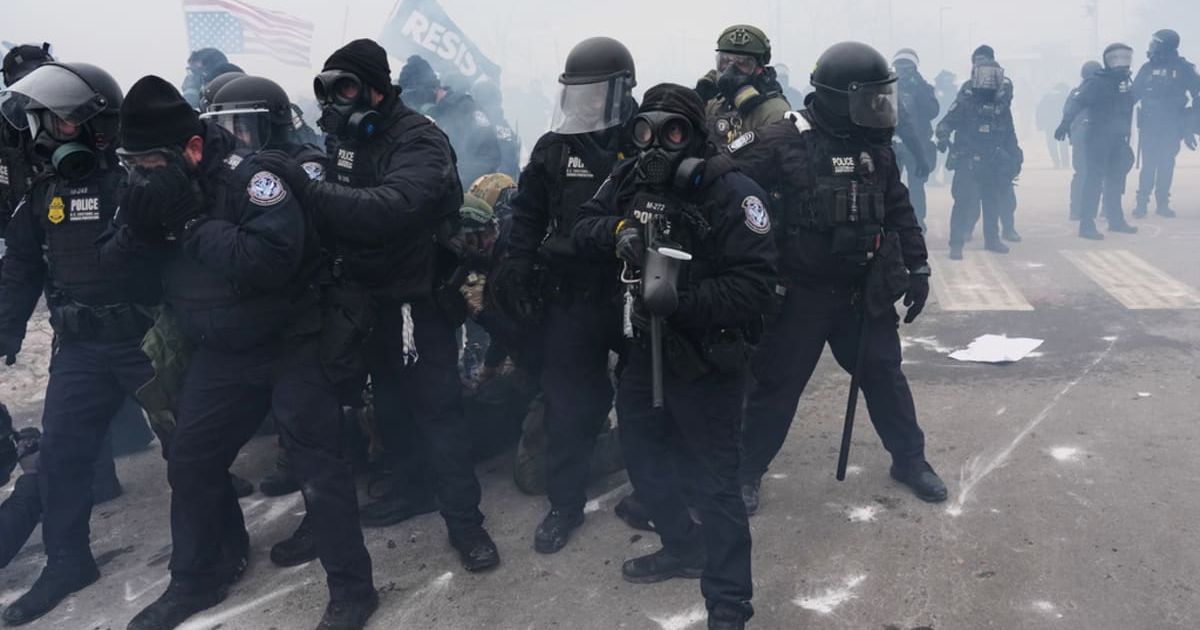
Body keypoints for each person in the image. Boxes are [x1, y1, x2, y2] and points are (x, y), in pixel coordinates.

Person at [98, 74, 376, 630]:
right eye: (133, 164)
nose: (141, 175)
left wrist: (190, 223)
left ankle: (352, 588)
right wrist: (135, 229)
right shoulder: (155, 193)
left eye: (149, 164)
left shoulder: (254, 179)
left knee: (318, 466)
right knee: (192, 461)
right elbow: (116, 277)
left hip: (290, 344)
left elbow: (267, 261)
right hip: (221, 354)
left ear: (192, 149)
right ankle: (199, 577)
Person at [260, 39, 500, 573]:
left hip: (419, 301)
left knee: (438, 411)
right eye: (329, 90)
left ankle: (466, 524)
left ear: (376, 87)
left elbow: (392, 208)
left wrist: (304, 186)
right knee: (378, 408)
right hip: (361, 298)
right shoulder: (341, 138)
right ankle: (406, 490)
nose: (338, 102)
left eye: (347, 87)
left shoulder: (420, 140)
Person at [573, 82, 776, 630]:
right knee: (641, 456)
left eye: (674, 132)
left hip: (707, 357)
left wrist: (683, 302)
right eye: (647, 131)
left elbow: (757, 285)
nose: (657, 145)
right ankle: (683, 548)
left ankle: (729, 603)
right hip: (645, 351)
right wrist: (618, 230)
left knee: (715, 484)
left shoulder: (733, 192)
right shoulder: (629, 177)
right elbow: (582, 223)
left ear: (697, 137)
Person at [731, 41, 947, 513]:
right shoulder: (780, 139)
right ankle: (746, 472)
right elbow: (725, 186)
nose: (878, 107)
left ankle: (910, 460)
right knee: (775, 389)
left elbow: (897, 207)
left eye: (880, 97)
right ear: (836, 96)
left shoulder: (875, 146)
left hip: (860, 292)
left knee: (885, 377)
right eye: (867, 98)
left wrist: (918, 264)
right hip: (799, 295)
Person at [0, 62, 160, 625]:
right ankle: (68, 561)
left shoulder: (137, 181)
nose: (45, 134)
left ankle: (212, 548)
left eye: (59, 123)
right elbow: (20, 266)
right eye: (41, 122)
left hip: (146, 341)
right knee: (62, 459)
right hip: (80, 349)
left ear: (98, 125)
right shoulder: (43, 193)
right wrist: (6, 330)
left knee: (194, 449)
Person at [492, 36, 637, 554]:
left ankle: (654, 489)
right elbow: (528, 213)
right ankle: (565, 504)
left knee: (646, 394)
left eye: (595, 91)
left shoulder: (644, 140)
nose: (586, 100)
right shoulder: (555, 147)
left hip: (629, 291)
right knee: (568, 404)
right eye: (578, 91)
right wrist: (518, 262)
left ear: (619, 92)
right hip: (572, 293)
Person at [936, 59, 1023, 259]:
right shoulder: (965, 102)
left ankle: (992, 240)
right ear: (975, 76)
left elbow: (1010, 135)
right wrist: (942, 137)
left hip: (993, 161)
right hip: (968, 160)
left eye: (993, 76)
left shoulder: (1002, 107)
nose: (988, 81)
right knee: (962, 203)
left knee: (991, 202)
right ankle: (956, 245)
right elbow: (946, 123)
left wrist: (1015, 157)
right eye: (984, 75)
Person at [1055, 44, 1139, 240]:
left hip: (1117, 137)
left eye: (1126, 58)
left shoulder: (1125, 82)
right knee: (1094, 179)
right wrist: (1066, 122)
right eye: (1117, 58)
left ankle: (1115, 220)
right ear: (1108, 60)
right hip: (1098, 137)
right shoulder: (1097, 82)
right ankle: (1086, 224)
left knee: (1116, 179)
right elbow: (1078, 101)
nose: (1122, 62)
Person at [397, 55, 501, 188]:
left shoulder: (465, 108)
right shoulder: (426, 115)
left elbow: (489, 155)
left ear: (432, 89)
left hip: (469, 192)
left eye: (416, 96)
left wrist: (455, 179)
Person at [1132, 29, 1200, 218]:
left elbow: (1198, 95)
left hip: (1172, 124)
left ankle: (1162, 203)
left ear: (1163, 45)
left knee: (1166, 164)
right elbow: (1132, 95)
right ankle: (1141, 203)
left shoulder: (1184, 68)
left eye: (1154, 42)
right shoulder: (1146, 68)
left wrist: (1189, 126)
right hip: (1149, 124)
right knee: (1148, 164)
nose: (1151, 46)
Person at [697, 25, 792, 148]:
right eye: (724, 61)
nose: (729, 70)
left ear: (759, 68)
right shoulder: (716, 103)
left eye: (742, 63)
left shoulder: (774, 111)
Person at [892, 48, 939, 229]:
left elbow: (932, 111)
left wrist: (918, 88)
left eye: (906, 67)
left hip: (916, 145)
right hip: (893, 144)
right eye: (899, 67)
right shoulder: (887, 87)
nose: (902, 70)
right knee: (891, 185)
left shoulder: (923, 87)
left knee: (917, 187)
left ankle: (918, 221)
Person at [1067, 62, 1104, 221]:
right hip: (1093, 138)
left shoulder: (1076, 92)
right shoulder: (1102, 91)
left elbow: (1068, 114)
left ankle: (1076, 210)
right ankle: (1102, 209)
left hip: (1081, 137)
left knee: (1082, 174)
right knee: (1096, 174)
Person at [473, 79, 522, 179]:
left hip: (493, 182)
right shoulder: (488, 120)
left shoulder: (497, 122)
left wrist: (502, 178)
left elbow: (508, 150)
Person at [1038, 83, 1072, 169]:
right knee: (1063, 143)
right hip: (1062, 123)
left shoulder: (1046, 97)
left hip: (1049, 123)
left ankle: (1056, 162)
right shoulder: (1066, 97)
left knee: (1051, 144)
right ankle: (1065, 163)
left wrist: (1040, 124)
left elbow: (1039, 111)